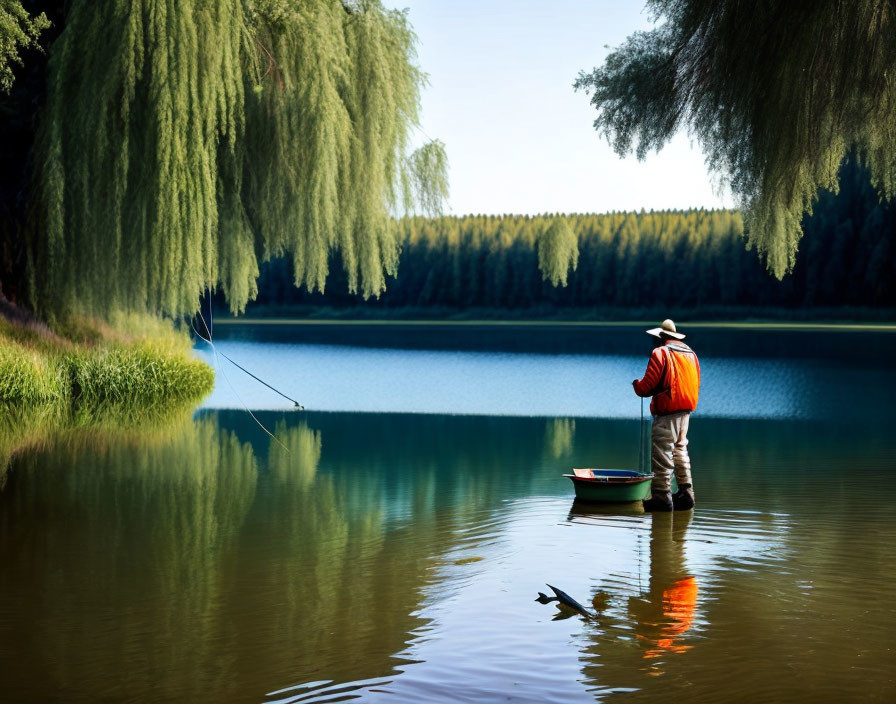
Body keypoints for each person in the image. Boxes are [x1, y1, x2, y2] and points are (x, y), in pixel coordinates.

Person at [632, 319, 700, 512]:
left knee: (662, 453)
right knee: (680, 449)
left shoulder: (660, 353)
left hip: (667, 411)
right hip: (686, 410)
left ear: (661, 337)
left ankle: (661, 496)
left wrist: (636, 385)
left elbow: (647, 386)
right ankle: (686, 493)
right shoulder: (690, 353)